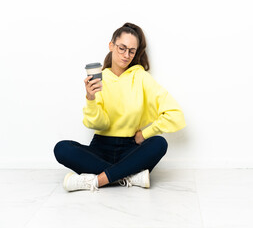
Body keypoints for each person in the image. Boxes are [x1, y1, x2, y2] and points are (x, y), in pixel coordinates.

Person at [54, 22, 186, 192]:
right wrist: (91, 98)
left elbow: (175, 114)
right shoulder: (100, 78)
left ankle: (97, 180)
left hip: (130, 148)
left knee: (159, 143)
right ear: (111, 45)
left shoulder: (141, 77)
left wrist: (145, 134)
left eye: (131, 51)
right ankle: (129, 176)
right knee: (62, 148)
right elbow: (98, 124)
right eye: (122, 48)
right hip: (100, 147)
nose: (126, 55)